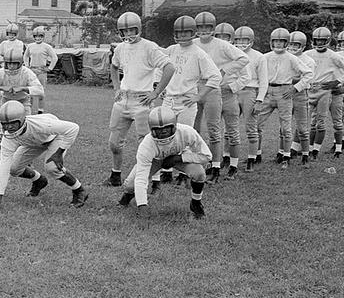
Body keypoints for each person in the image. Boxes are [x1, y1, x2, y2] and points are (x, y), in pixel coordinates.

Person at [105, 11, 174, 187]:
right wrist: (116, 87)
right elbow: (114, 66)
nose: (128, 34)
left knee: (147, 144)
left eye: (131, 30)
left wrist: (155, 92)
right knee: (114, 143)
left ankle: (154, 180)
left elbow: (169, 67)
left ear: (139, 29)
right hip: (123, 99)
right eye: (124, 31)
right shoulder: (120, 48)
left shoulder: (149, 47)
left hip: (142, 101)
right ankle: (115, 175)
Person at [154, 16, 220, 187]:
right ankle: (166, 171)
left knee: (185, 136)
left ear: (193, 33)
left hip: (186, 101)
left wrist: (199, 96)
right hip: (169, 99)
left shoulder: (199, 53)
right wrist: (158, 86)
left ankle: (184, 173)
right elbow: (160, 68)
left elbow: (215, 76)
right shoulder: (171, 50)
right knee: (165, 134)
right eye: (179, 32)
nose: (182, 36)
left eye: (186, 32)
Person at [0, 101, 88, 213]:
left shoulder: (42, 125)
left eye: (12, 123)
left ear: (22, 120)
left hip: (55, 137)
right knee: (13, 168)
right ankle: (39, 180)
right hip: (34, 141)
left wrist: (58, 153)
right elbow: (4, 166)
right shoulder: (8, 137)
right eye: (4, 124)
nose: (8, 127)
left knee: (52, 167)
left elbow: (73, 128)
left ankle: (79, 190)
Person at [118, 107, 211, 220]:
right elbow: (141, 177)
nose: (163, 132)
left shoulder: (186, 132)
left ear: (174, 126)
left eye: (166, 128)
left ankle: (196, 203)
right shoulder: (147, 144)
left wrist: (179, 158)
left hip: (179, 155)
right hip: (156, 160)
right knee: (130, 185)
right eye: (158, 130)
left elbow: (206, 156)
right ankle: (127, 196)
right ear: (152, 129)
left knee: (199, 173)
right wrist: (142, 205)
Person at [193, 11, 249, 183]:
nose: (204, 30)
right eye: (200, 27)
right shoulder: (193, 43)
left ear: (213, 28)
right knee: (194, 129)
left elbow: (243, 58)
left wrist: (224, 71)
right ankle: (196, 166)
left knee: (220, 130)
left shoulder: (222, 45)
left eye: (207, 27)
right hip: (196, 87)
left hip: (218, 89)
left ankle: (226, 166)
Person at [257, 28, 313, 170]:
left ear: (286, 43)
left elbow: (308, 73)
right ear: (271, 42)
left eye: (281, 42)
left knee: (286, 127)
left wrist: (295, 88)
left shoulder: (291, 58)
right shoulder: (265, 57)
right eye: (275, 41)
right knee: (257, 124)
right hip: (268, 91)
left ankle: (287, 157)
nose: (278, 44)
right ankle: (256, 155)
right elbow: (257, 73)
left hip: (284, 92)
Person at [232, 26, 268, 171]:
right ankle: (227, 158)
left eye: (244, 40)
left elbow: (264, 81)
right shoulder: (231, 53)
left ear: (251, 41)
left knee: (251, 128)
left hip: (250, 92)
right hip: (233, 91)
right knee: (230, 127)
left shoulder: (259, 56)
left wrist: (259, 100)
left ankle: (251, 159)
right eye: (238, 40)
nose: (241, 43)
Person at [304, 26, 344, 159]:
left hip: (330, 91)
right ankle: (309, 149)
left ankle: (338, 148)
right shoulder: (308, 54)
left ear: (327, 41)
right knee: (312, 121)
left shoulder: (333, 55)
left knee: (334, 120)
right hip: (313, 89)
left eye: (322, 40)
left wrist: (338, 81)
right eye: (317, 40)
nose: (319, 43)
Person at [0, 49, 44, 114]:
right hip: (6, 101)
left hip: (23, 102)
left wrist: (23, 88)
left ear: (19, 63)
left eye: (14, 63)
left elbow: (40, 90)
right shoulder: (1, 72)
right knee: (5, 119)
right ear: (5, 63)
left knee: (26, 119)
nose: (11, 66)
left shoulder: (26, 72)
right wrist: (1, 88)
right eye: (9, 63)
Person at [286, 31, 315, 165]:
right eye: (290, 44)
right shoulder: (285, 57)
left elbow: (307, 78)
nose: (292, 47)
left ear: (302, 46)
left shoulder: (308, 60)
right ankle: (283, 152)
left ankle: (305, 154)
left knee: (302, 125)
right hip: (285, 92)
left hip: (300, 92)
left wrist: (295, 83)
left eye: (295, 45)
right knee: (285, 124)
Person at [23, 26, 59, 114]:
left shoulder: (47, 47)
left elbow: (54, 57)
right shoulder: (30, 46)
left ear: (43, 37)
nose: (38, 38)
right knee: (30, 91)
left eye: (40, 36)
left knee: (41, 91)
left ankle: (40, 110)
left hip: (42, 71)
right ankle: (29, 110)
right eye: (36, 36)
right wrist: (27, 65)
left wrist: (49, 68)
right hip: (32, 70)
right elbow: (25, 56)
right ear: (34, 37)